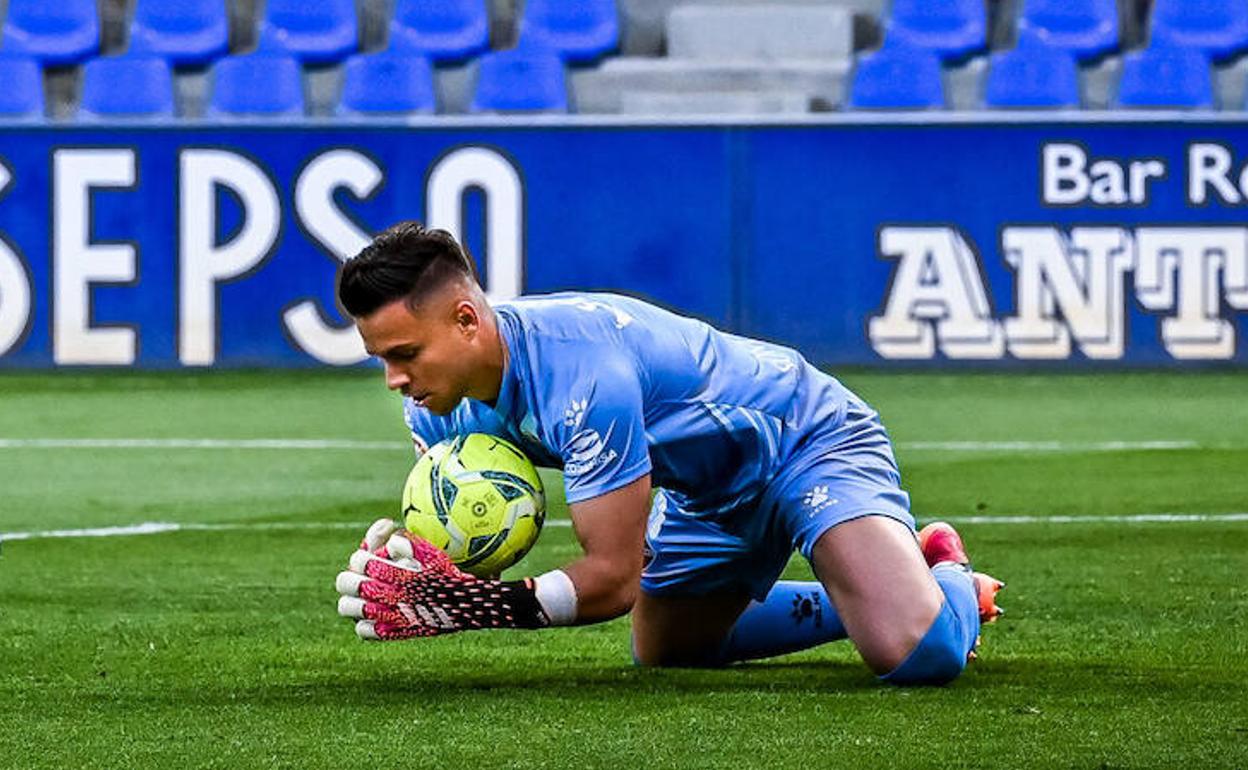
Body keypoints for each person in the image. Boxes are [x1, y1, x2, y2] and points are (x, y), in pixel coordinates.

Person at [332, 221, 1003, 685]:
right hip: (709, 492)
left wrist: (484, 607)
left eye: (404, 354)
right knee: (667, 651)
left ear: (466, 321)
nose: (394, 378)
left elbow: (615, 577)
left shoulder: (583, 374)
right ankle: (869, 590)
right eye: (381, 360)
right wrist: (417, 563)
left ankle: (944, 575)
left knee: (915, 654)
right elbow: (457, 544)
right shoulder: (433, 401)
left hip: (802, 438)